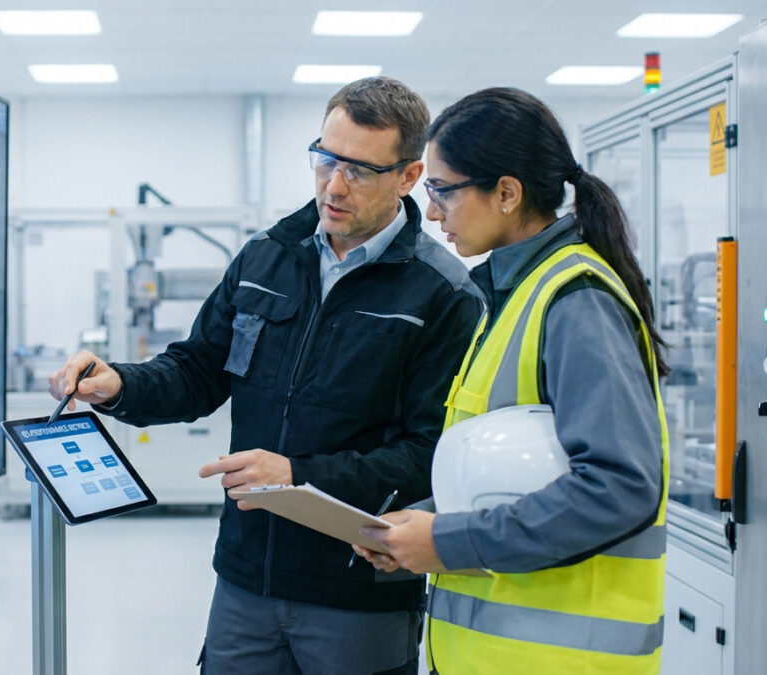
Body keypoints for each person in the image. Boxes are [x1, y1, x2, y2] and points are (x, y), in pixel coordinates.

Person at [48, 76, 482, 674]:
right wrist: (119, 385)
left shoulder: (442, 294)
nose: (333, 185)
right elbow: (198, 370)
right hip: (246, 580)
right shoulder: (267, 256)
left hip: (357, 595)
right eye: (325, 160)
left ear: (408, 177)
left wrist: (295, 477)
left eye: (358, 170)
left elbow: (429, 452)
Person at [352, 87, 670, 674]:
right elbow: (504, 473)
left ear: (506, 192)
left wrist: (446, 542)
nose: (434, 210)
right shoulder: (512, 294)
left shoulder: (576, 302)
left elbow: (620, 487)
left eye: (444, 190)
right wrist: (419, 525)